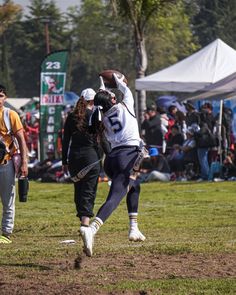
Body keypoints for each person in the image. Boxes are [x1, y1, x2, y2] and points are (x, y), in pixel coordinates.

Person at [80, 74, 146, 257]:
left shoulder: (100, 114)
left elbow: (103, 97)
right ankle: (92, 228)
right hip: (128, 155)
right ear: (112, 99)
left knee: (135, 187)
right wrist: (116, 78)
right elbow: (123, 85)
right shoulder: (125, 105)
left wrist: (101, 83)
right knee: (116, 197)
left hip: (111, 159)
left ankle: (134, 228)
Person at [62, 88, 102, 228]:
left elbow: (65, 140)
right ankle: (85, 223)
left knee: (78, 188)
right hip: (91, 156)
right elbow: (101, 138)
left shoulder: (71, 117)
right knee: (89, 190)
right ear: (93, 100)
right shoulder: (96, 115)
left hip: (74, 157)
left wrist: (64, 161)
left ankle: (82, 218)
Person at [0, 84, 28, 244]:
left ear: (5, 98)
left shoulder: (10, 115)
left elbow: (21, 140)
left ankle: (6, 232)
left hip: (6, 162)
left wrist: (24, 162)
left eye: (1, 96)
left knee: (7, 198)